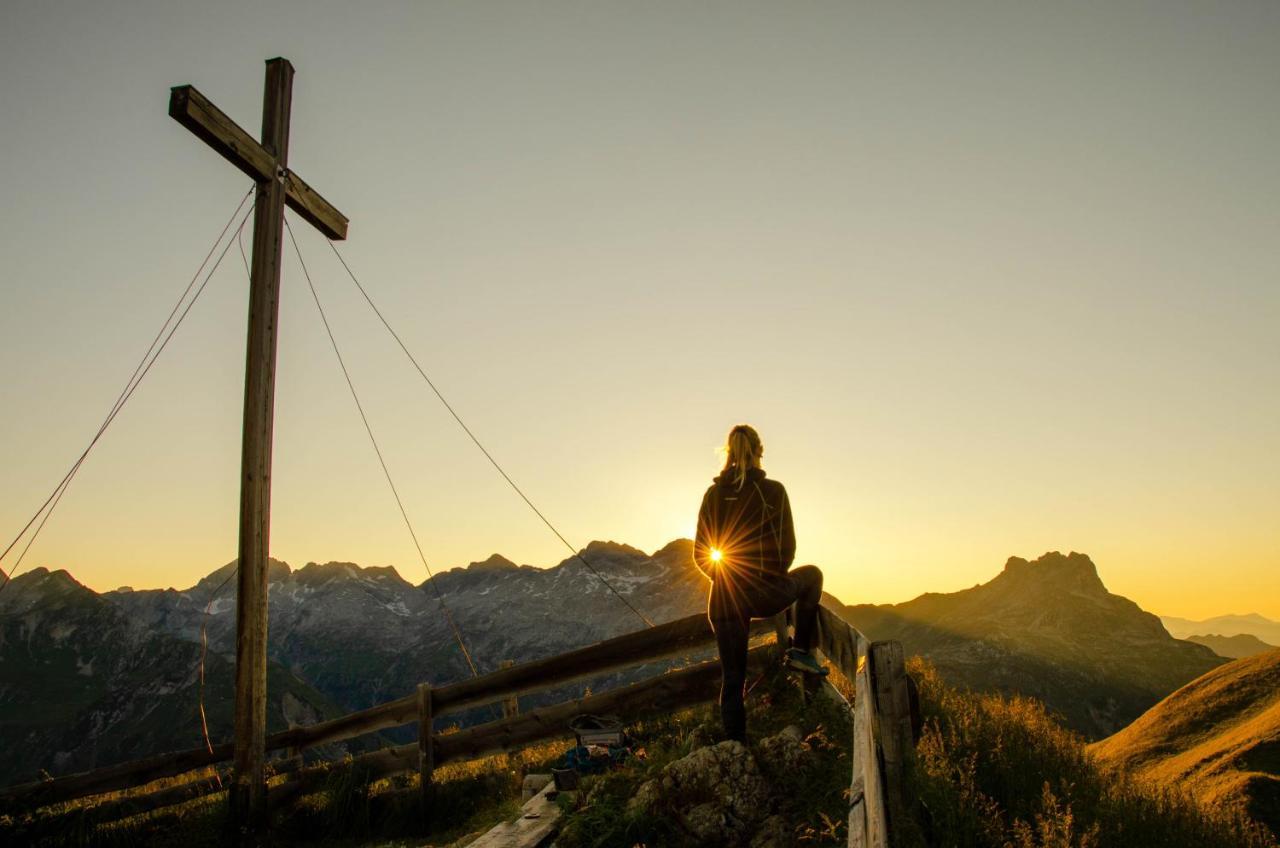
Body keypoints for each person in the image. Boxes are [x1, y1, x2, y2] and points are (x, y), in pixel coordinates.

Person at [693, 424, 825, 743]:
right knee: (813, 576)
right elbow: (788, 548)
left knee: (733, 677)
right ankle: (800, 651)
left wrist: (725, 579)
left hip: (723, 599)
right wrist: (768, 576)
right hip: (764, 593)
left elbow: (700, 553)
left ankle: (735, 747)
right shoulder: (773, 492)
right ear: (759, 451)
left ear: (729, 453)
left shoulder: (714, 495)